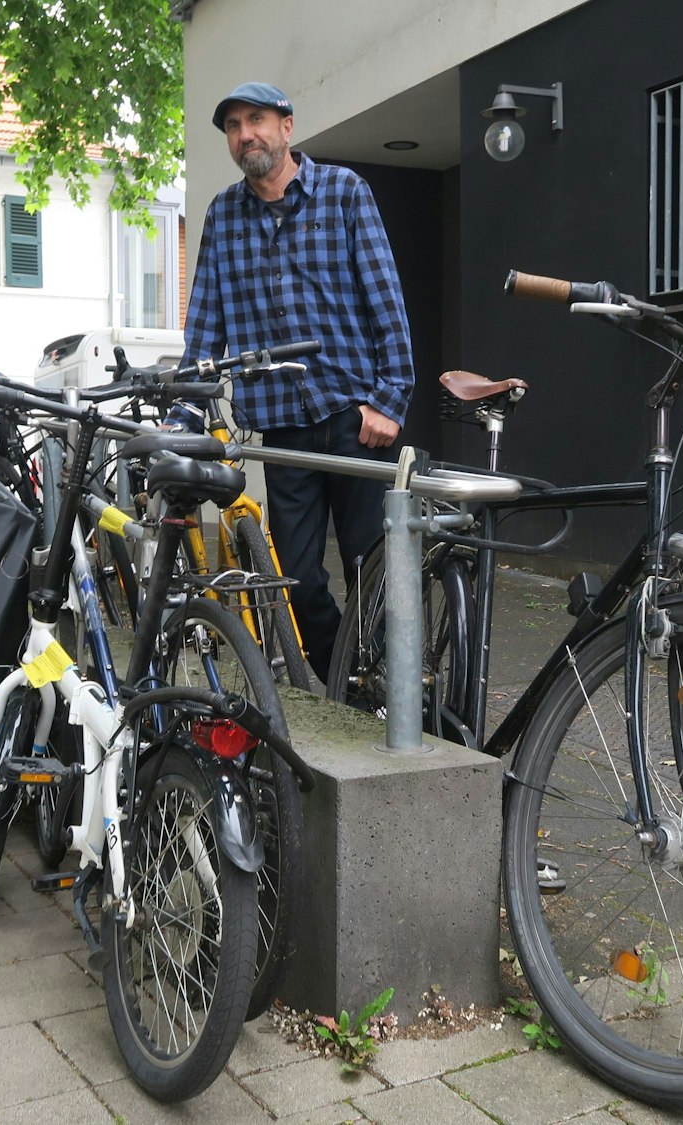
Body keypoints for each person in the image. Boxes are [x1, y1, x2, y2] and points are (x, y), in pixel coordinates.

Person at [182, 81, 415, 683]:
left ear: (287, 126)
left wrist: (388, 399)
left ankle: (389, 689)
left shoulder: (344, 193)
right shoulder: (223, 215)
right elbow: (205, 329)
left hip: (353, 415)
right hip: (280, 426)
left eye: (256, 120)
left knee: (373, 569)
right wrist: (183, 418)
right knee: (297, 577)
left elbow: (385, 301)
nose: (245, 135)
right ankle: (345, 679)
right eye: (233, 126)